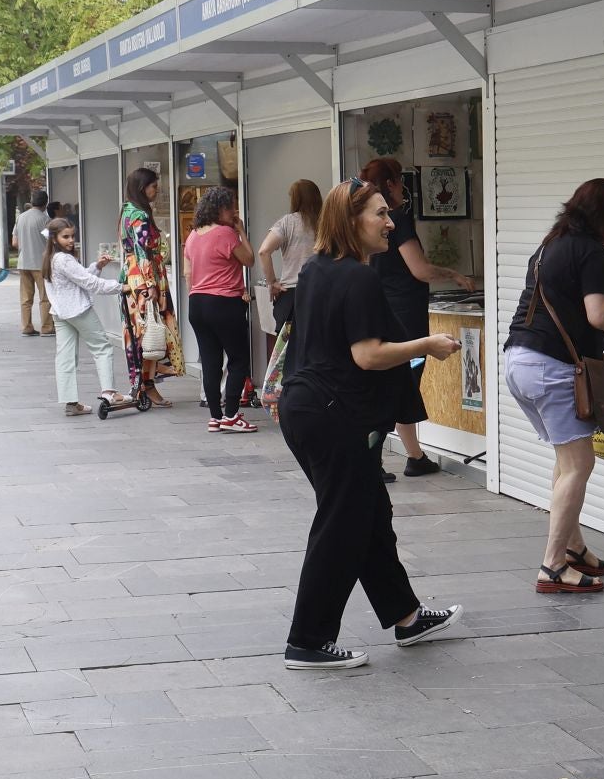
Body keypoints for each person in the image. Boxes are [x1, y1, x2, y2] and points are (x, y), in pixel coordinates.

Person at [277, 178, 463, 669]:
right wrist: (428, 345)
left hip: (305, 407)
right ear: (351, 220)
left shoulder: (316, 268)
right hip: (331, 414)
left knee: (369, 514)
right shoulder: (357, 277)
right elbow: (368, 355)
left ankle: (406, 617)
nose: (389, 223)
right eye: (380, 214)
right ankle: (307, 640)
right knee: (342, 523)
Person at [503, 178, 604, 595]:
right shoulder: (593, 253)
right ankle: (553, 566)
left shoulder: (548, 246)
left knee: (566, 459)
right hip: (552, 368)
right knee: (578, 465)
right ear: (600, 216)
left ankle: (573, 548)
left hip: (518, 361)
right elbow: (599, 316)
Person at [359, 158, 477, 480]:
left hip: (388, 309)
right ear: (392, 184)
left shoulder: (370, 224)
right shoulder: (397, 219)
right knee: (401, 385)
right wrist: (454, 274)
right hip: (405, 315)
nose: (404, 187)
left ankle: (414, 455)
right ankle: (374, 460)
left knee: (401, 385)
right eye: (401, 180)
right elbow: (420, 269)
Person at [184, 186, 258, 433]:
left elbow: (187, 274)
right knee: (238, 359)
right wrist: (241, 232)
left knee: (210, 361)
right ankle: (232, 415)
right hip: (224, 302)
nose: (234, 212)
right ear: (218, 209)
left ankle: (215, 417)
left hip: (197, 303)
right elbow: (249, 259)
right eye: (231, 208)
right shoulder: (226, 233)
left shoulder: (193, 235)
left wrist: (198, 293)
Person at [43, 218, 133, 416]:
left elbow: (79, 278)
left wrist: (97, 266)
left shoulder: (50, 258)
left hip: (60, 313)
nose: (70, 240)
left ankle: (71, 403)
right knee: (102, 348)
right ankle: (110, 393)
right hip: (78, 311)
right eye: (65, 236)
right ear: (54, 238)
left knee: (65, 357)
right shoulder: (64, 259)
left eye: (72, 236)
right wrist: (120, 287)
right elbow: (90, 283)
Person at [119, 167, 184, 405]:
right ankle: (147, 385)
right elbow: (141, 250)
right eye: (154, 186)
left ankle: (142, 383)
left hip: (132, 276)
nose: (157, 190)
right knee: (149, 329)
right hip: (144, 278)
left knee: (141, 331)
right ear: (142, 188)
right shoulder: (139, 214)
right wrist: (151, 285)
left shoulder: (127, 210)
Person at [258, 178, 322, 334]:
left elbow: (263, 251)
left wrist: (272, 282)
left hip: (291, 295)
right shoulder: (326, 223)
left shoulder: (287, 223)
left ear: (295, 199)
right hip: (321, 292)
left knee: (287, 345)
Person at [12, 190, 55, 336]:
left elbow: (14, 242)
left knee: (25, 298)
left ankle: (26, 326)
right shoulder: (45, 220)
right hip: (40, 263)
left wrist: (26, 247)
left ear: (31, 201)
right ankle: (47, 327)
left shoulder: (21, 217)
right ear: (46, 203)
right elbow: (51, 242)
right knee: (45, 297)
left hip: (23, 262)